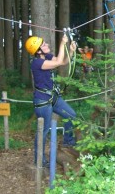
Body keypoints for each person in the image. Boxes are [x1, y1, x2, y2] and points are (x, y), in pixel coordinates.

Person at [24, 34, 77, 168]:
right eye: (43, 45)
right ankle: (39, 160)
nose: (46, 45)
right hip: (42, 101)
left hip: (53, 97)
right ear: (38, 51)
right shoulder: (37, 63)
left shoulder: (46, 57)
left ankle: (68, 142)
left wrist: (70, 51)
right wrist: (62, 44)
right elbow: (58, 62)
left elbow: (63, 62)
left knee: (71, 115)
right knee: (43, 131)